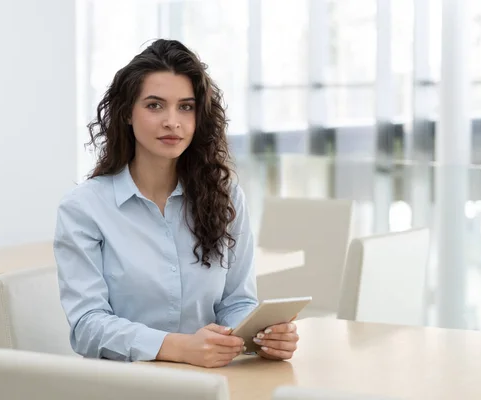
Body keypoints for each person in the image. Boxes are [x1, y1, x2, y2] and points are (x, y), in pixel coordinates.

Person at [53, 39, 299, 368]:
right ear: (127, 112)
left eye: (186, 107)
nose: (173, 121)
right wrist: (177, 347)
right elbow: (87, 326)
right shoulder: (84, 208)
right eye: (155, 105)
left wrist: (262, 335)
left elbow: (236, 302)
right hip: (124, 386)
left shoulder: (227, 199)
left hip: (212, 381)